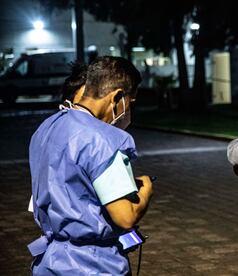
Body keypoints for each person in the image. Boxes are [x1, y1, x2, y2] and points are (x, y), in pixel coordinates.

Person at [28, 56, 153, 275]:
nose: (129, 111)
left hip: (50, 260)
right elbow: (125, 217)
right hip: (95, 265)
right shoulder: (104, 140)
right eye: (129, 103)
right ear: (117, 97)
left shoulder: (46, 128)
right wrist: (145, 189)